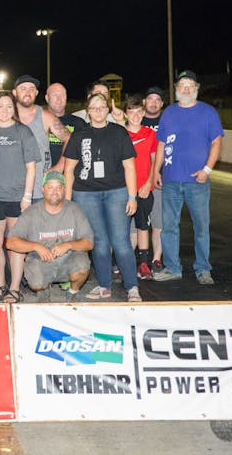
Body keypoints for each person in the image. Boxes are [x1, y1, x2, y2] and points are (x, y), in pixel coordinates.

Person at [63, 92, 142, 302]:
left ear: (107, 110)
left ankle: (132, 286)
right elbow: (69, 169)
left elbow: (129, 167)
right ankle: (104, 285)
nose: (98, 111)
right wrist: (68, 201)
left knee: (121, 241)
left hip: (117, 192)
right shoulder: (79, 135)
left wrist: (132, 196)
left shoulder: (119, 132)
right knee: (99, 241)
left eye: (102, 107)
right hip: (86, 194)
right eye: (94, 107)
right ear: (88, 111)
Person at [151, 70, 224, 285]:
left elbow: (217, 142)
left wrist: (207, 170)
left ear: (196, 89)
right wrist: (156, 171)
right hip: (171, 180)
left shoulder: (208, 112)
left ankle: (203, 269)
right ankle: (173, 268)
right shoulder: (169, 113)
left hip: (197, 182)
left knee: (201, 227)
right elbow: (161, 143)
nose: (185, 89)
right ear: (176, 89)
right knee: (169, 227)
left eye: (189, 85)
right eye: (181, 85)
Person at [0, 91, 40, 303]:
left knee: (15, 244)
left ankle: (15, 288)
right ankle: (0, 284)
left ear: (14, 109)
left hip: (17, 198)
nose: (5, 110)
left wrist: (27, 197)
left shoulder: (23, 131)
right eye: (0, 106)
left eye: (9, 106)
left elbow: (31, 167)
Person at [6, 171, 93, 302]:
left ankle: (73, 291)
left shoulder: (75, 209)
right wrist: (36, 246)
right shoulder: (31, 212)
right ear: (43, 189)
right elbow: (11, 242)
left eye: (59, 187)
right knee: (36, 283)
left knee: (82, 265)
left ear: (64, 190)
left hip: (69, 257)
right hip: (41, 259)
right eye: (50, 187)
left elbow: (89, 242)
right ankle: (43, 289)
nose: (55, 192)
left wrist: (68, 245)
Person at [11, 75, 70, 202]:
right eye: (23, 88)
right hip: (9, 190)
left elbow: (69, 139)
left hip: (38, 190)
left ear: (36, 93)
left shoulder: (45, 116)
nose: (28, 93)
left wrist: (60, 166)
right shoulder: (5, 115)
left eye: (32, 89)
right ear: (14, 92)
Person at [123, 95, 158, 279]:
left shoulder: (150, 134)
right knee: (122, 228)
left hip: (144, 189)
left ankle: (143, 263)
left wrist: (148, 183)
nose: (135, 116)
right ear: (125, 114)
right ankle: (122, 263)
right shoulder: (120, 134)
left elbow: (154, 161)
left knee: (143, 226)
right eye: (131, 112)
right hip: (124, 190)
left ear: (143, 113)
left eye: (139, 112)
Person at [142, 86, 165, 271]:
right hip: (139, 179)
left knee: (158, 221)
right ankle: (133, 259)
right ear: (144, 102)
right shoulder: (135, 118)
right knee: (136, 225)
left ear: (162, 104)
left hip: (160, 179)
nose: (154, 103)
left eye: (158, 100)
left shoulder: (167, 121)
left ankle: (156, 258)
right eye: (150, 99)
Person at [45, 82, 86, 168]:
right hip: (42, 172)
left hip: (70, 172)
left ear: (66, 98)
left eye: (62, 95)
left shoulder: (79, 123)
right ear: (47, 98)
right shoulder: (38, 121)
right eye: (54, 95)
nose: (59, 99)